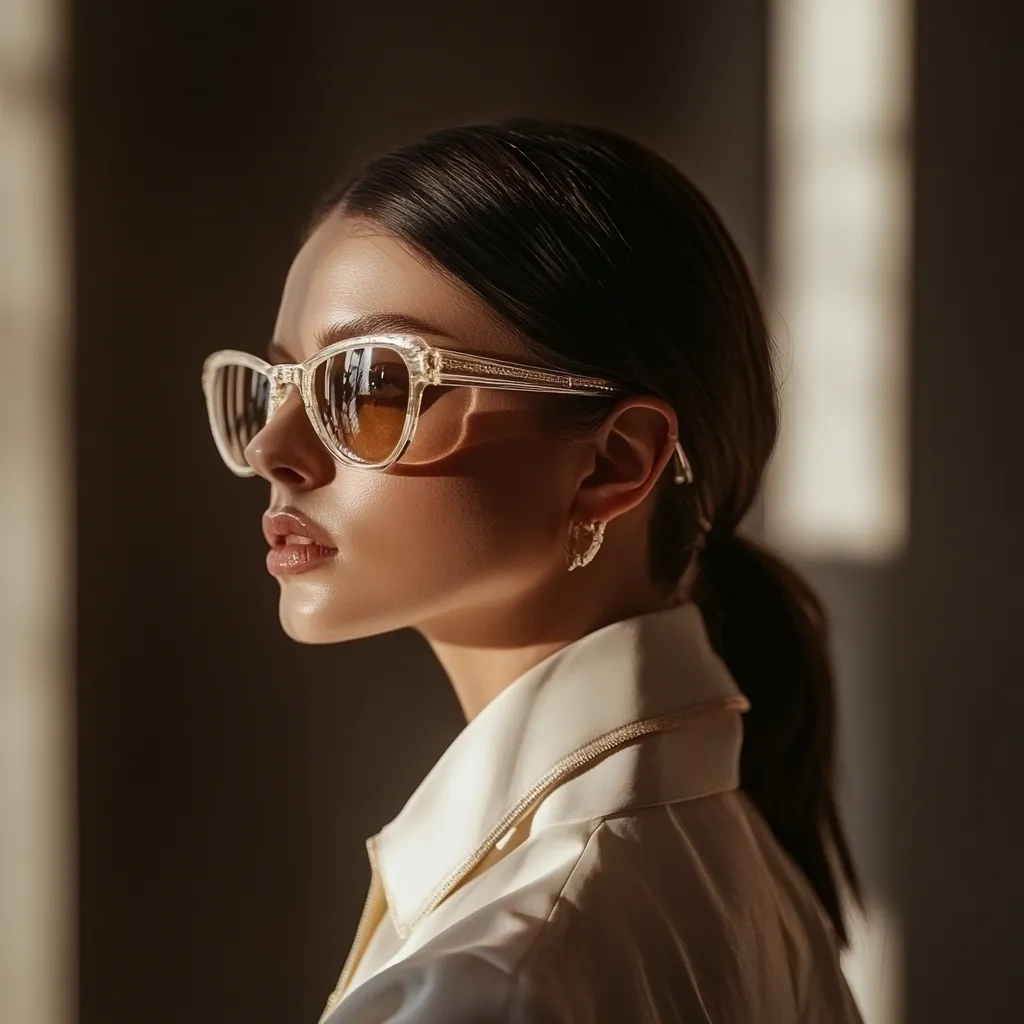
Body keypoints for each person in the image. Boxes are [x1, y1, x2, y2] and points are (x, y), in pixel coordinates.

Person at [201, 120, 864, 1023]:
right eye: (279, 385)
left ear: (613, 462)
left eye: (368, 384)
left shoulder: (491, 981)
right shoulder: (745, 876)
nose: (275, 450)